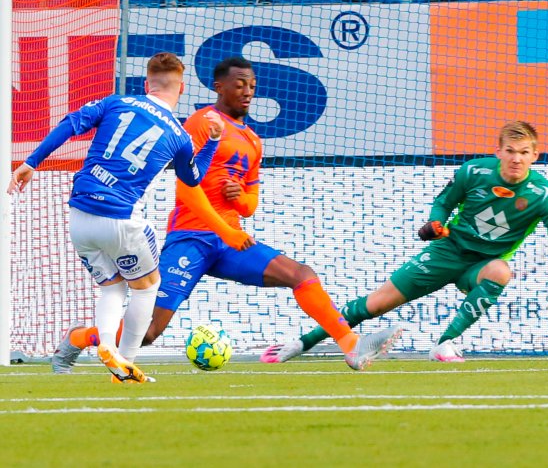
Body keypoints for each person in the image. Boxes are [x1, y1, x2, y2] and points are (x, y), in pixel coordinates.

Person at [52, 57, 402, 373]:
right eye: (239, 84)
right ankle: (80, 337)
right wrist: (226, 228)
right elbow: (186, 188)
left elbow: (251, 204)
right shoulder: (203, 121)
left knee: (301, 274)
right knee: (148, 332)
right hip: (191, 237)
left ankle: (352, 347)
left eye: (252, 85)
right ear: (218, 86)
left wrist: (239, 198)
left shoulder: (253, 139)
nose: (247, 91)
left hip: (230, 240)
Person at [262, 121, 548, 364]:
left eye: (524, 153)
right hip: (447, 250)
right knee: (373, 305)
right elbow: (443, 204)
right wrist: (435, 224)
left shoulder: (545, 195)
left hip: (481, 266)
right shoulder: (473, 171)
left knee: (501, 271)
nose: (516, 159)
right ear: (498, 151)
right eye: (510, 151)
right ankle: (302, 343)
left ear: (535, 155)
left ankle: (444, 343)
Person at [8, 52, 224, 383]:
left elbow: (72, 122)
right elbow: (192, 178)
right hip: (121, 218)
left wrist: (31, 162)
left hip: (79, 215)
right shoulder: (179, 136)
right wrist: (212, 142)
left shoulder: (117, 102)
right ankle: (125, 363)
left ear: (145, 84)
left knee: (112, 287)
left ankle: (107, 345)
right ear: (181, 89)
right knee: (148, 286)